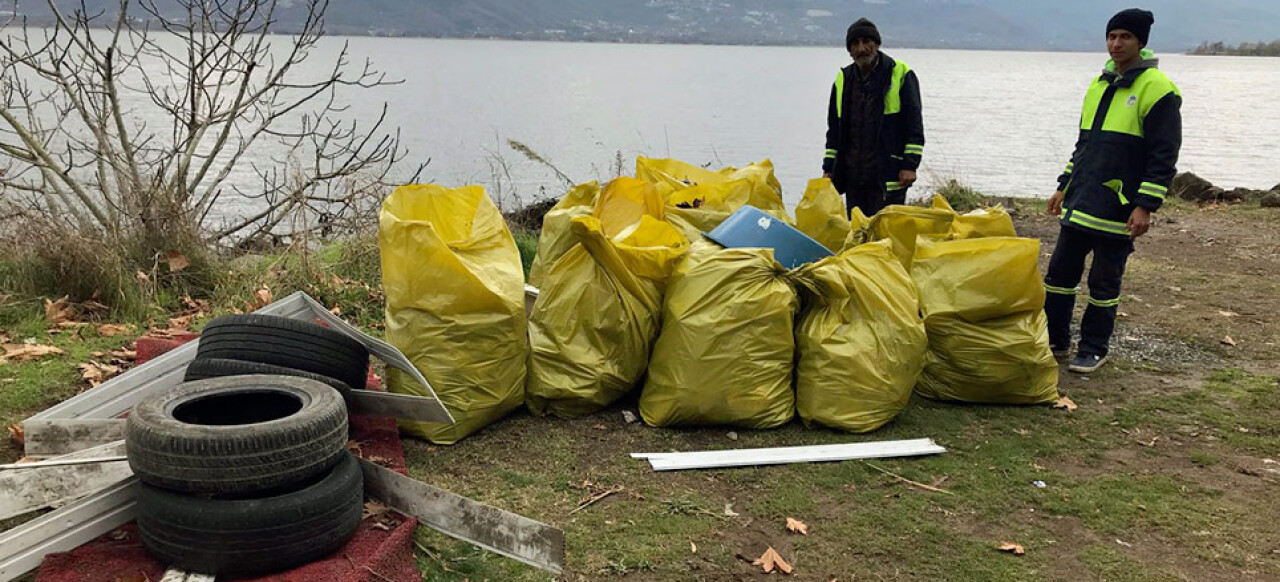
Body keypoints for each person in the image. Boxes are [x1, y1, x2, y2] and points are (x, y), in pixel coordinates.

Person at [1044, 8, 1182, 373]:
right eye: (1111, 36)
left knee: (1104, 282)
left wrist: (1146, 205)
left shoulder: (1159, 90)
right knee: (1058, 277)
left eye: (1124, 37)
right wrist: (1063, 186)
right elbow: (1084, 144)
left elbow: (1163, 156)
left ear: (1141, 43)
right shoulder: (1098, 83)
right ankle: (1053, 340)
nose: (1116, 44)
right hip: (1081, 200)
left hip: (1119, 208)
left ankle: (1093, 347)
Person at [822, 18, 924, 215]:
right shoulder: (843, 79)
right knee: (858, 234)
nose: (862, 48)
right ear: (849, 51)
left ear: (877, 44)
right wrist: (829, 169)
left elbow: (914, 125)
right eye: (855, 43)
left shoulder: (900, 74)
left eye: (866, 41)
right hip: (853, 176)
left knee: (886, 234)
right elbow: (834, 130)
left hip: (888, 175)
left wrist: (910, 165)